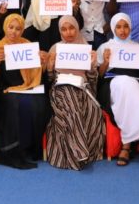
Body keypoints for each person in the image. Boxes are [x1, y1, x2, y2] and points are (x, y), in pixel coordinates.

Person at [97, 13, 139, 166]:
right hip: (111, 85)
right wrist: (106, 63)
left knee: (130, 84)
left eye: (126, 26)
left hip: (136, 85)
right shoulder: (105, 47)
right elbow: (99, 76)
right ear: (113, 28)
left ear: (130, 27)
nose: (122, 30)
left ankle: (126, 146)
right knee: (125, 82)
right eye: (119, 27)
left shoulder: (137, 47)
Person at [45, 15, 105, 170]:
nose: (68, 32)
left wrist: (92, 67)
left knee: (93, 110)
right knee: (71, 104)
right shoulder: (55, 48)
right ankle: (79, 152)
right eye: (64, 29)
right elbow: (50, 79)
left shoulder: (86, 48)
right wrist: (50, 67)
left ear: (77, 29)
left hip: (83, 88)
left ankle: (85, 151)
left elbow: (92, 81)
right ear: (60, 32)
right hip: (61, 89)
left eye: (71, 28)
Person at [0, 13, 48, 169]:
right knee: (14, 103)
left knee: (39, 104)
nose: (14, 32)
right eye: (11, 27)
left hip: (27, 87)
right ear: (5, 27)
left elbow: (36, 73)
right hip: (6, 89)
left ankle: (32, 149)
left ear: (22, 30)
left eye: (18, 29)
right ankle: (15, 149)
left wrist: (41, 62)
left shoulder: (28, 45)